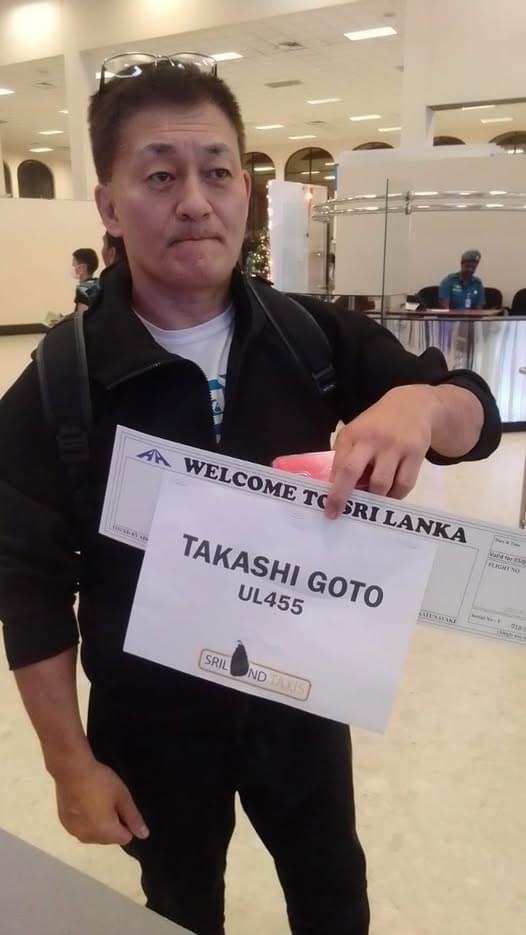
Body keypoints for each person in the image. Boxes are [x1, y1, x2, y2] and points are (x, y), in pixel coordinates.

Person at [0, 55, 501, 935]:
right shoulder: (58, 385)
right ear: (111, 207)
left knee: (333, 897)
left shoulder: (312, 337)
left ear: (245, 192)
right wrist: (67, 762)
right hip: (150, 721)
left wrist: (420, 404)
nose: (196, 199)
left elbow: (478, 415)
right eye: (160, 174)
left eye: (219, 171)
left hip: (300, 699)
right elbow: (29, 588)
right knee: (180, 906)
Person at [72, 246, 100, 312]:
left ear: (82, 268)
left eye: (74, 264)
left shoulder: (83, 288)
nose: (72, 267)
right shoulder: (97, 284)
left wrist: (65, 320)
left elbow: (82, 317)